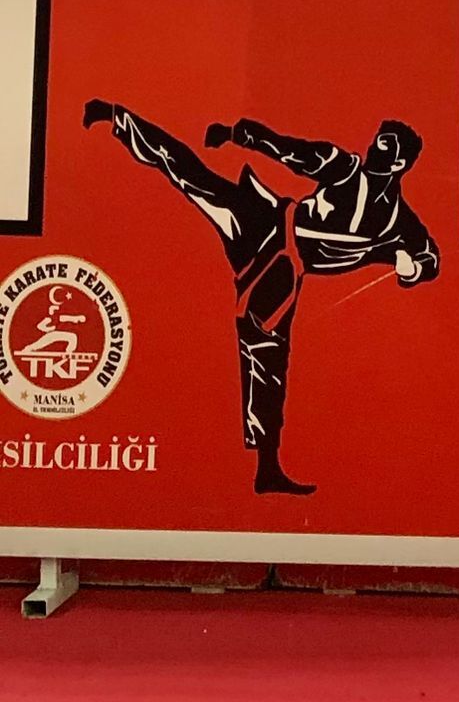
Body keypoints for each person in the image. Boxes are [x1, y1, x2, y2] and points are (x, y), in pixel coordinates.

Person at [84, 100, 438, 496]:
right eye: (376, 141)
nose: (373, 149)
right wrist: (237, 134)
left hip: (285, 269)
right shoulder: (343, 168)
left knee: (268, 357)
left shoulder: (398, 220)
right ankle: (117, 117)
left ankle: (267, 469)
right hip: (264, 226)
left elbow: (430, 257)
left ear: (399, 164)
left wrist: (413, 268)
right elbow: (289, 150)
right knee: (191, 176)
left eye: (385, 147)